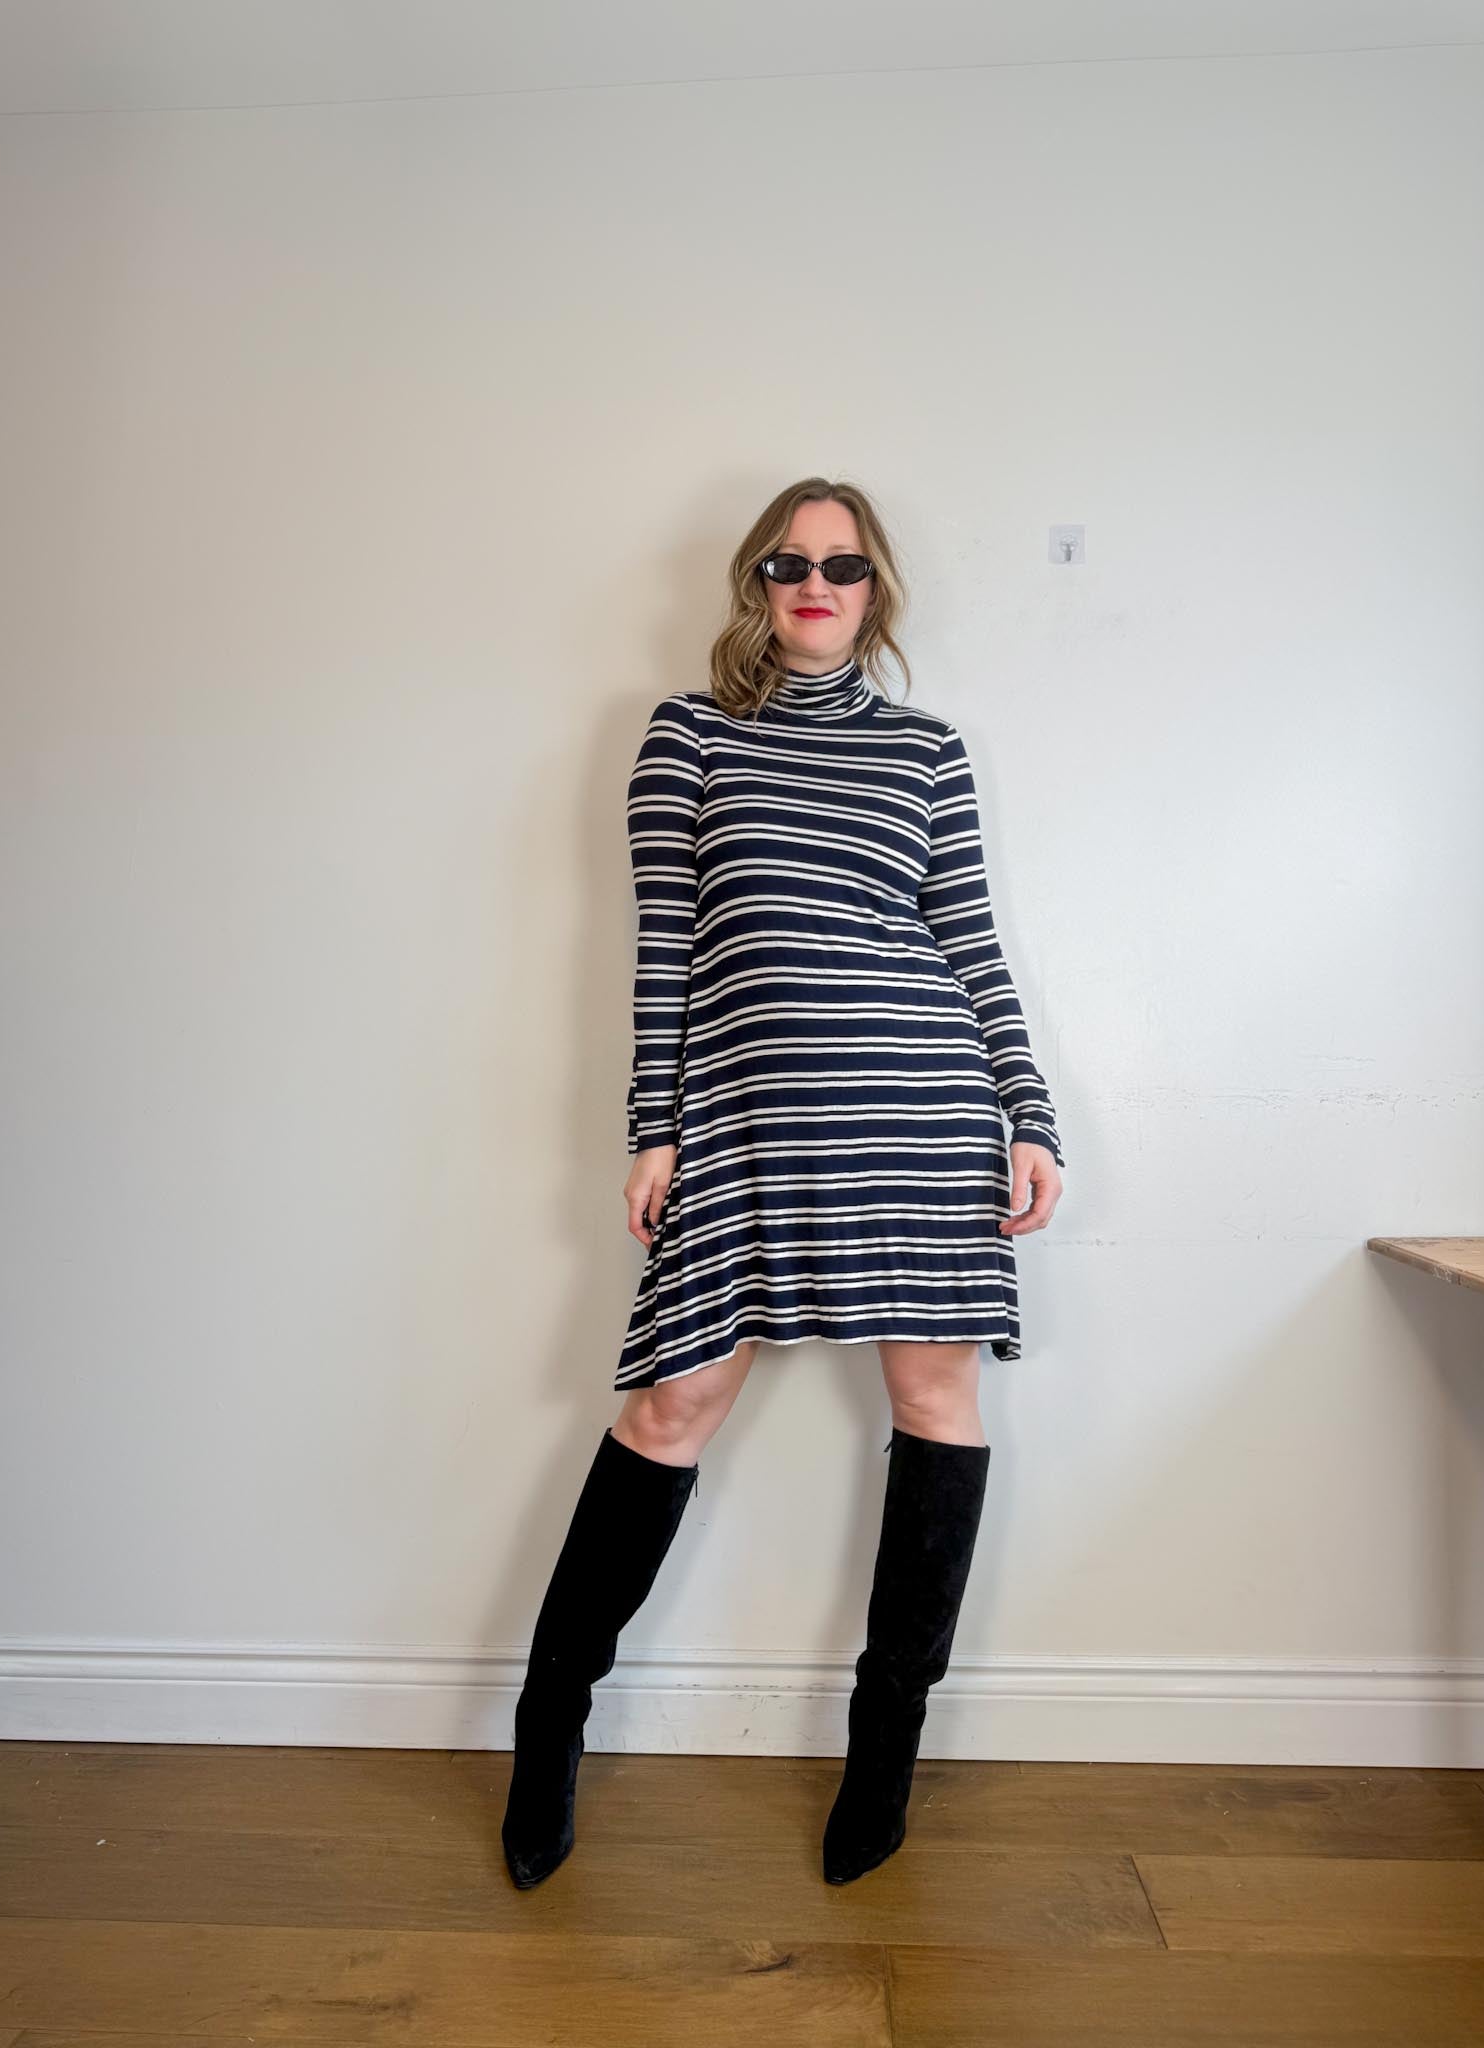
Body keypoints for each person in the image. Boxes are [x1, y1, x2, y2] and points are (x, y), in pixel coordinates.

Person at [501, 476, 1065, 1889]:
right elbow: (666, 948)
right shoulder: (689, 735)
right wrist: (656, 1127)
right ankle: (549, 1723)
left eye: (843, 566)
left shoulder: (927, 754)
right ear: (755, 583)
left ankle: (886, 1753)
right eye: (788, 562)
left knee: (935, 1406)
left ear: (876, 593)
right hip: (749, 1127)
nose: (815, 584)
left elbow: (969, 944)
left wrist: (1028, 1113)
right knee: (669, 1405)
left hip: (922, 1119)